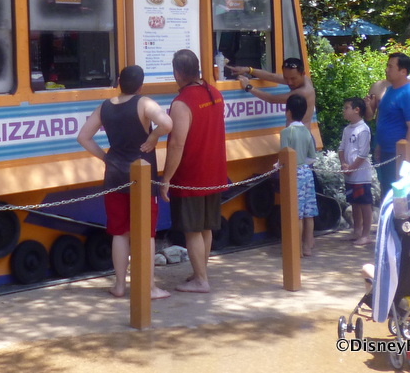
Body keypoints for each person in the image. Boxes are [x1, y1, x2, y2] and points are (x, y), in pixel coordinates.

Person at [76, 65, 173, 299]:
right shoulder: (144, 103)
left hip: (114, 176)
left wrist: (105, 157)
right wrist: (153, 136)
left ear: (119, 82)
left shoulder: (105, 106)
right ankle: (149, 288)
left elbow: (83, 137)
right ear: (141, 86)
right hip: (142, 176)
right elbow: (167, 124)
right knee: (146, 234)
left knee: (119, 232)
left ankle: (119, 285)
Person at [159, 49, 228, 293]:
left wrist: (166, 178)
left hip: (191, 174)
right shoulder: (214, 93)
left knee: (192, 230)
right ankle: (201, 272)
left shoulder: (182, 103)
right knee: (206, 227)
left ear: (177, 73)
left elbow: (177, 144)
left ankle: (201, 280)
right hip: (214, 170)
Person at [373, 53, 410, 199]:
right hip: (387, 153)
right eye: (387, 66)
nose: (386, 69)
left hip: (402, 156)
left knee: (402, 199)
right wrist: (379, 145)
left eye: (391, 67)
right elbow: (384, 119)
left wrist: (405, 157)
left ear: (403, 71)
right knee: (388, 195)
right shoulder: (389, 91)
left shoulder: (409, 94)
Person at [279, 94, 318, 256]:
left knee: (297, 214)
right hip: (307, 172)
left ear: (288, 112)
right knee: (309, 213)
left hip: (293, 174)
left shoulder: (286, 132)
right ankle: (307, 246)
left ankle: (296, 249)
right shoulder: (307, 132)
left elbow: (284, 156)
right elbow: (312, 157)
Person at [229, 57, 316, 125]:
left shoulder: (304, 92)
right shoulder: (300, 78)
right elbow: (271, 77)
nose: (289, 82)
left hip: (300, 138)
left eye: (293, 79)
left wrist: (249, 87)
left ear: (303, 74)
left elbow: (272, 99)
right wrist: (248, 69)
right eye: (286, 78)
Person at [339, 97, 373, 246]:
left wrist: (352, 168)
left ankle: (366, 234)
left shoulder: (363, 129)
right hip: (349, 174)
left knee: (365, 203)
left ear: (357, 110)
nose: (344, 111)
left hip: (360, 175)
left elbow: (363, 154)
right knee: (354, 202)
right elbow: (341, 148)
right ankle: (356, 230)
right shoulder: (347, 129)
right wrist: (343, 164)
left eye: (346, 108)